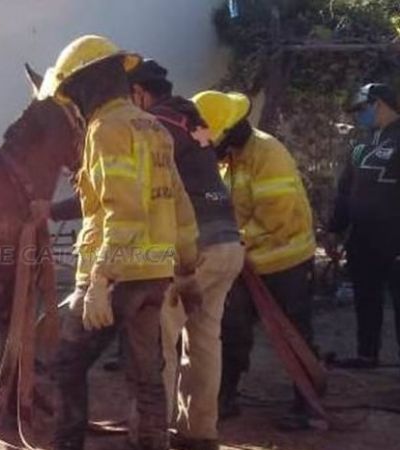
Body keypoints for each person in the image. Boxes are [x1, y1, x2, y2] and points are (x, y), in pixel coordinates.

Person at [38, 35, 201, 450]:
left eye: (71, 93)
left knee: (67, 363)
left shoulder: (105, 128)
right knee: (146, 376)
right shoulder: (153, 127)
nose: (72, 103)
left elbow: (123, 211)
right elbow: (179, 203)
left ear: (85, 85)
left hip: (117, 276)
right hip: (155, 274)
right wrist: (186, 271)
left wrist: (98, 282)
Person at [126, 61, 243, 450]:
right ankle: (199, 434)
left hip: (191, 251)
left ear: (140, 93)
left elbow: (132, 189)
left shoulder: (151, 127)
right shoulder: (193, 118)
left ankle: (151, 435)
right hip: (227, 242)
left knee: (159, 341)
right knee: (205, 340)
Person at [192, 91, 317, 429]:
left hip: (284, 259)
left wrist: (233, 243)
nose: (203, 143)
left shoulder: (268, 153)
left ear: (228, 131)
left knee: (293, 333)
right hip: (245, 260)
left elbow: (275, 216)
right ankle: (225, 396)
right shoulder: (229, 158)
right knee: (230, 328)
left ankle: (308, 405)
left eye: (206, 135)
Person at [327, 83, 400, 369]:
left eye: (362, 109)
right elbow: (346, 191)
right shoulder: (361, 145)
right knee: (366, 299)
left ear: (379, 103)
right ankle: (366, 354)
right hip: (363, 240)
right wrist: (334, 229)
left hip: (395, 240)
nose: (360, 116)